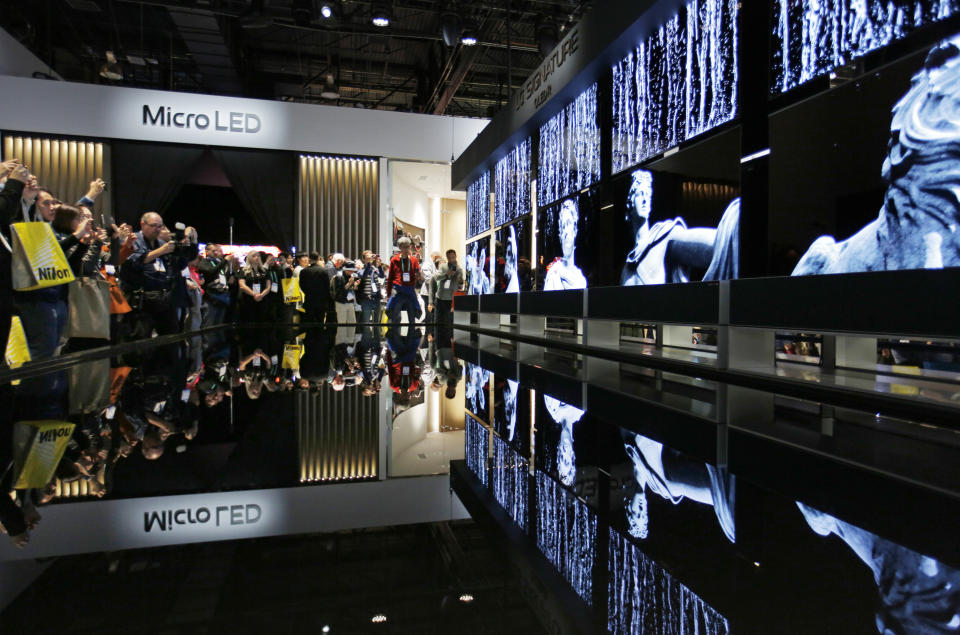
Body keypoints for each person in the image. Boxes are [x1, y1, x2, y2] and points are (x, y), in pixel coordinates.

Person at [620, 169, 740, 285]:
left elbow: (718, 243)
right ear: (630, 202)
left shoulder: (663, 236)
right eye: (640, 194)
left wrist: (734, 220)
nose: (645, 200)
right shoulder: (626, 268)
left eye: (648, 194)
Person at [119, 211, 198, 338]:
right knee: (140, 343)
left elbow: (178, 265)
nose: (157, 229)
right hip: (141, 300)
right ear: (142, 224)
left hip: (164, 298)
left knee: (170, 339)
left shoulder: (161, 243)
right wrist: (161, 251)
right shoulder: (134, 240)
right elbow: (133, 262)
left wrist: (189, 245)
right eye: (154, 225)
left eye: (160, 226)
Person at [544, 199, 587, 290]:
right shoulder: (553, 272)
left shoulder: (580, 279)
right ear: (560, 235)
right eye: (563, 227)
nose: (566, 232)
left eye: (569, 224)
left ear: (575, 230)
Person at [197, 243, 235, 330]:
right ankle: (207, 343)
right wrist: (224, 261)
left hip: (221, 295)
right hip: (211, 296)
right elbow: (211, 271)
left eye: (217, 251)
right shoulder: (204, 262)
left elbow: (222, 276)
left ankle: (217, 342)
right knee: (209, 322)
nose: (215, 253)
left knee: (219, 323)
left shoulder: (218, 262)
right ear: (207, 251)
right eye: (213, 251)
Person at [385, 236, 422, 324]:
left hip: (409, 290)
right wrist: (389, 293)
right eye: (404, 247)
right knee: (395, 315)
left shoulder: (414, 260)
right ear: (400, 247)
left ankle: (411, 334)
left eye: (408, 246)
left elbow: (418, 276)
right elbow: (390, 277)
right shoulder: (394, 260)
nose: (406, 249)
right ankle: (395, 335)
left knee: (412, 316)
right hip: (397, 290)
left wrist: (418, 276)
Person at [428, 249, 464, 327]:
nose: (451, 259)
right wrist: (447, 275)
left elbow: (460, 284)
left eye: (453, 257)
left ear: (456, 257)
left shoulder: (459, 270)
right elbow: (436, 277)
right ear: (447, 258)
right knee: (438, 321)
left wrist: (460, 281)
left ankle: (449, 338)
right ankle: (438, 338)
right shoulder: (443, 266)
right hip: (440, 298)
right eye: (449, 258)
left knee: (450, 321)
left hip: (451, 299)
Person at [236, 250, 272, 323]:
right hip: (248, 299)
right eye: (254, 256)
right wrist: (254, 294)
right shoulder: (244, 270)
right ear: (249, 258)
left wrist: (261, 295)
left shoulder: (264, 271)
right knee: (249, 321)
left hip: (262, 299)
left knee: (262, 321)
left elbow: (268, 286)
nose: (257, 258)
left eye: (258, 256)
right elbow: (242, 285)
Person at [298, 251, 331, 325]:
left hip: (309, 300)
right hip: (321, 302)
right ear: (318, 258)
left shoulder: (304, 271)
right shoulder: (323, 271)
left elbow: (301, 285)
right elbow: (327, 287)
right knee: (320, 322)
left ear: (310, 259)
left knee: (309, 323)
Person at [329, 252, 359, 331]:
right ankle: (342, 342)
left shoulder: (350, 276)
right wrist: (349, 283)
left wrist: (355, 285)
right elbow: (340, 293)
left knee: (352, 324)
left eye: (353, 270)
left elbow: (351, 291)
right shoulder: (339, 277)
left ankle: (350, 341)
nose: (351, 272)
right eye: (349, 270)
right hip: (341, 303)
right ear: (345, 269)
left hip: (350, 303)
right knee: (342, 325)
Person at [357, 249, 383, 324]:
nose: (371, 257)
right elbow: (364, 276)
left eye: (371, 255)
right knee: (366, 322)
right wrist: (369, 263)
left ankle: (377, 336)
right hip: (366, 298)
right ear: (364, 259)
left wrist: (379, 265)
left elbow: (381, 276)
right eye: (368, 256)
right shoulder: (361, 270)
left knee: (377, 322)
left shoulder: (374, 269)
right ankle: (367, 336)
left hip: (376, 298)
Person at [420, 250, 440, 322]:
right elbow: (428, 278)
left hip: (431, 292)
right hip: (427, 293)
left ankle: (431, 330)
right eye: (439, 258)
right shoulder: (427, 264)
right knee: (429, 314)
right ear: (435, 257)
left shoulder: (432, 264)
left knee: (432, 314)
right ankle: (428, 331)